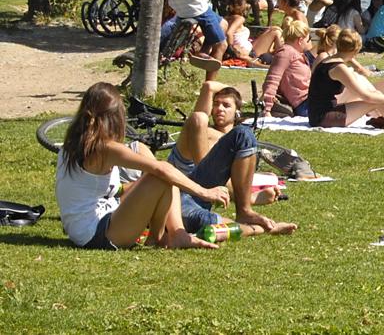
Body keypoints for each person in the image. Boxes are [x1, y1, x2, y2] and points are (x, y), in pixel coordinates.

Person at [54, 82, 228, 250]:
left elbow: (99, 191)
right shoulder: (103, 148)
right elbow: (161, 170)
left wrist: (143, 186)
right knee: (161, 174)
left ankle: (170, 235)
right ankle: (163, 236)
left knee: (161, 172)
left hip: (87, 228)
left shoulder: (75, 143)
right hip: (98, 234)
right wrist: (204, 192)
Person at [166, 81, 296, 237]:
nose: (219, 108)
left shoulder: (240, 143)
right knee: (204, 221)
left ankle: (245, 211)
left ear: (237, 112)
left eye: (226, 105)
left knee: (244, 134)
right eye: (216, 104)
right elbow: (207, 89)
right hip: (182, 192)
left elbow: (229, 178)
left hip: (198, 199)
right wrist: (253, 197)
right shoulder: (201, 130)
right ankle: (263, 227)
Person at [261, 18, 313, 117]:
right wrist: (267, 108)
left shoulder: (296, 53)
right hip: (303, 104)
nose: (309, 42)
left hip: (307, 100)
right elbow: (272, 79)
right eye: (309, 39)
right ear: (300, 40)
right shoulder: (285, 53)